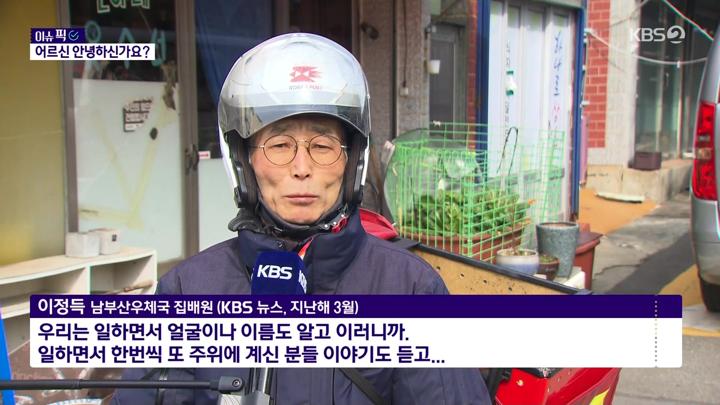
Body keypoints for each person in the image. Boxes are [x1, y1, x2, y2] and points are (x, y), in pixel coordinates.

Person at [112, 33, 491, 405]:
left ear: (352, 161)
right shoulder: (188, 290)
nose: (301, 168)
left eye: (323, 146)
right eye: (279, 145)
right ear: (243, 161)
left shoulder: (409, 289)